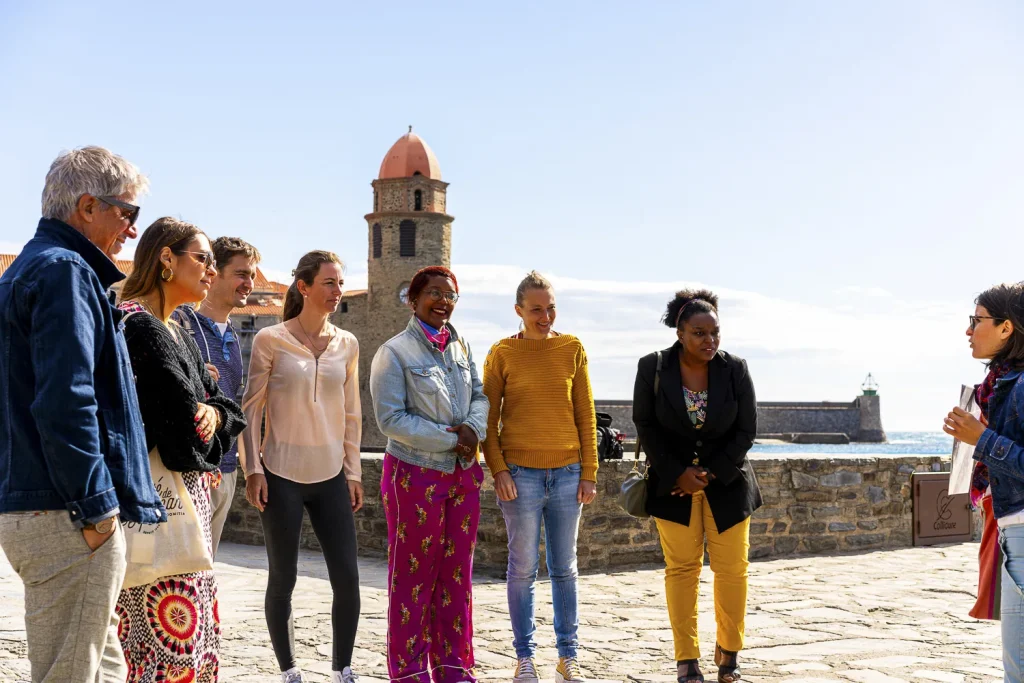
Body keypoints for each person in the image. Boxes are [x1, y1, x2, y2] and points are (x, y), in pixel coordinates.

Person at [0, 146, 165, 682]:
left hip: (38, 502)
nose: (134, 231)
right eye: (129, 213)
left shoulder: (32, 270)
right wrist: (96, 510)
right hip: (65, 511)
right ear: (88, 205)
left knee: (100, 669)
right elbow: (66, 400)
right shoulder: (64, 271)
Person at [116, 217, 246, 682]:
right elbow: (182, 438)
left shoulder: (175, 330)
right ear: (166, 258)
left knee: (184, 648)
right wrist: (211, 420)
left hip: (183, 508)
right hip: (163, 505)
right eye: (203, 259)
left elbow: (226, 406)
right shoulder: (143, 330)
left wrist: (214, 415)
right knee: (165, 651)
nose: (211, 270)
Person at [241, 250, 363, 683]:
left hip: (330, 474)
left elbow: (352, 413)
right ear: (304, 287)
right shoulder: (270, 340)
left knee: (348, 578)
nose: (337, 291)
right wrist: (253, 468)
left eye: (340, 283)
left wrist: (353, 472)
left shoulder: (347, 343)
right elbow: (251, 410)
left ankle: (342, 668)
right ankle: (290, 669)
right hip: (280, 474)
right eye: (328, 283)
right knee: (284, 578)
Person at [632, 289, 760, 683]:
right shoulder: (652, 367)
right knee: (682, 570)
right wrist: (677, 474)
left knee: (732, 570)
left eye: (715, 333)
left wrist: (712, 472)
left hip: (729, 483)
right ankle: (686, 659)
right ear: (680, 333)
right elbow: (645, 425)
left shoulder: (735, 369)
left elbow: (747, 429)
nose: (710, 341)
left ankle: (729, 654)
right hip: (673, 488)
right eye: (700, 333)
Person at [369, 266, 489, 683]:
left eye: (450, 296)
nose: (443, 302)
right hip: (414, 476)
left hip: (462, 476)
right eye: (435, 294)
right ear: (414, 300)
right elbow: (390, 419)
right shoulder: (395, 352)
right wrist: (450, 440)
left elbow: (479, 394)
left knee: (457, 576)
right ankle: (408, 672)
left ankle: (454, 666)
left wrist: (475, 429)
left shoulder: (462, 346)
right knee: (413, 579)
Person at [481, 271, 597, 683]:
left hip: (568, 475)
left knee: (565, 567)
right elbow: (487, 421)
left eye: (550, 308)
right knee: (523, 568)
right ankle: (524, 657)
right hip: (521, 477)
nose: (545, 316)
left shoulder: (572, 348)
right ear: (518, 311)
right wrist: (498, 470)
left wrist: (589, 473)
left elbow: (585, 414)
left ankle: (569, 657)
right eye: (536, 310)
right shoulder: (502, 354)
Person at [943, 282, 1024, 682]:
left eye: (977, 320)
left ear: (1007, 327)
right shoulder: (1000, 384)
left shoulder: (1021, 385)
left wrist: (981, 438)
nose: (969, 330)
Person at [174, 236, 261, 558]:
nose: (249, 283)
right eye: (241, 274)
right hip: (189, 469)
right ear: (214, 273)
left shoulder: (233, 335)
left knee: (207, 567)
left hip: (226, 468)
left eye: (252, 275)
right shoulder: (180, 324)